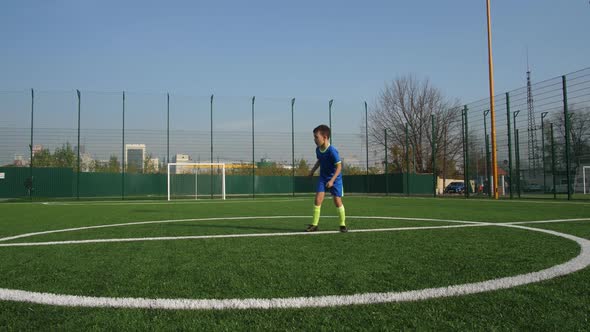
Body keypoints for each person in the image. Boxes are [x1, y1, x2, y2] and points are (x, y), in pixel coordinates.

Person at [306, 125, 347, 233]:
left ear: (324, 137)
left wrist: (332, 180)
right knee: (318, 199)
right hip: (323, 178)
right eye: (314, 137)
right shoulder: (318, 150)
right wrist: (312, 171)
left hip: (335, 179)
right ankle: (314, 225)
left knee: (337, 201)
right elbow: (319, 161)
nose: (314, 140)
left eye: (316, 137)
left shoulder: (332, 150)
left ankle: (342, 224)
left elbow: (339, 167)